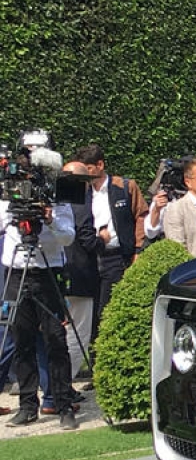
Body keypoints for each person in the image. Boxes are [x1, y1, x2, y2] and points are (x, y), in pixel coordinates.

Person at [1, 159, 79, 429]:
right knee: (21, 340)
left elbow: (68, 237)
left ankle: (63, 404)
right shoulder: (8, 193)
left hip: (48, 272)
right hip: (16, 272)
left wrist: (49, 219)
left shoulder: (57, 198)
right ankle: (27, 406)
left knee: (56, 340)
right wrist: (12, 213)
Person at [75, 144, 149, 319]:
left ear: (100, 165)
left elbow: (141, 216)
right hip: (90, 256)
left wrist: (138, 250)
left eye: (88, 169)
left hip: (117, 256)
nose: (84, 174)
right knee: (92, 309)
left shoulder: (125, 186)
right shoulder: (82, 191)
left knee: (111, 307)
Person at [61, 161, 102, 383]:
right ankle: (65, 383)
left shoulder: (55, 202)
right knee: (79, 334)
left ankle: (55, 383)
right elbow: (87, 240)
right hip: (80, 275)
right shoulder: (81, 204)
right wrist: (102, 240)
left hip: (57, 272)